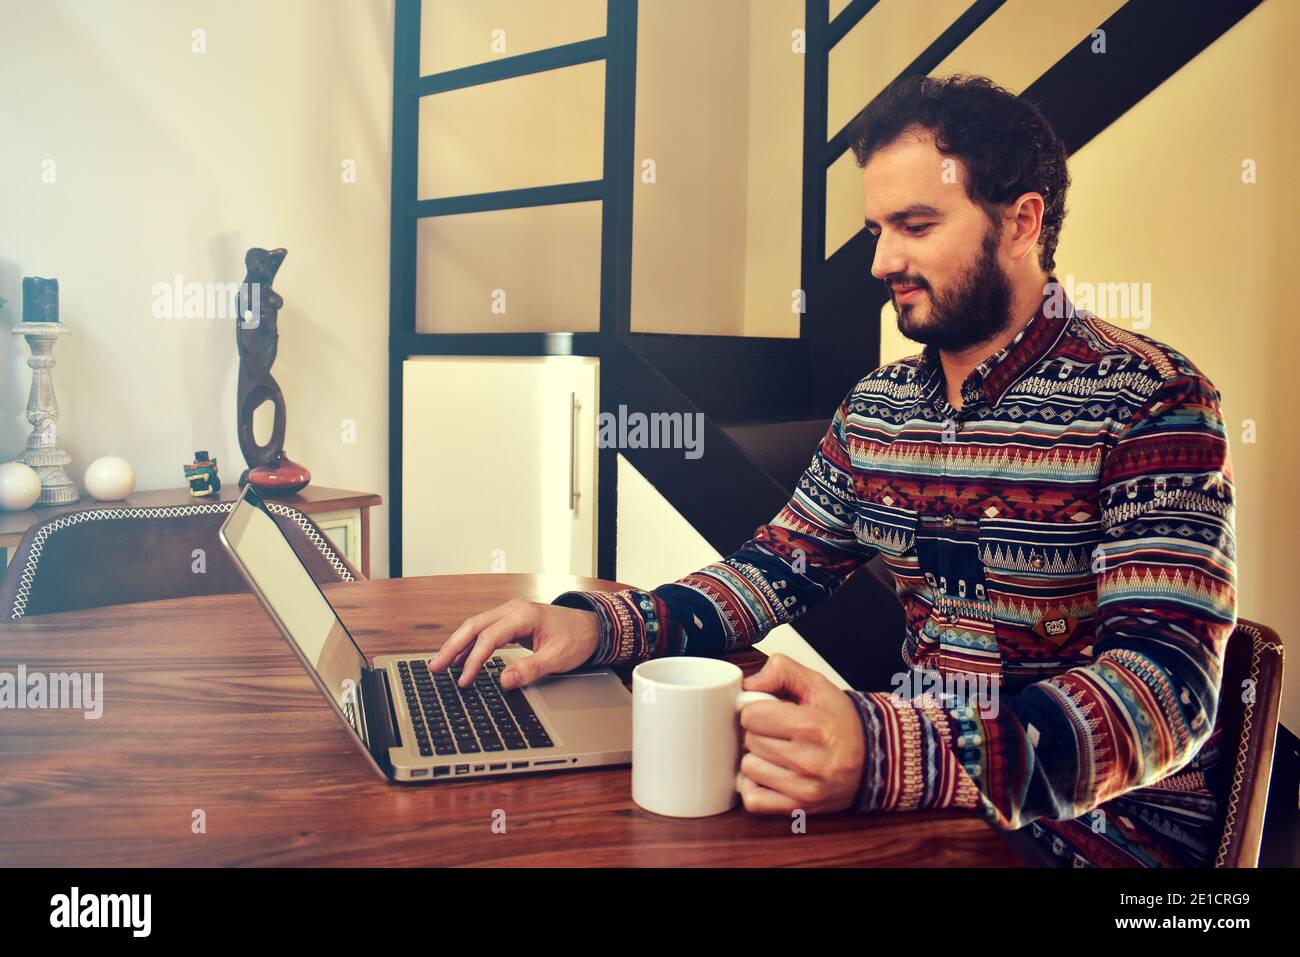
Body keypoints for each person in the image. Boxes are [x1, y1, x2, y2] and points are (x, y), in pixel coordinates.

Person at [429, 74, 1236, 868]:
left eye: (915, 225)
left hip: (1096, 835)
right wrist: (604, 625)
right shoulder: (881, 407)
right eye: (877, 227)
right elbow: (773, 568)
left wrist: (886, 750)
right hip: (913, 807)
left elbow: (1166, 687)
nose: (882, 259)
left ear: (1022, 221)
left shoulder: (1151, 398)